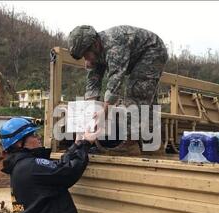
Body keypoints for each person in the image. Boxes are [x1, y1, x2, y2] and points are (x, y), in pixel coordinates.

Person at [0, 117, 99, 213]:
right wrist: (86, 143)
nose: (38, 137)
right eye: (33, 135)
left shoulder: (21, 166)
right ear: (19, 143)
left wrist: (76, 145)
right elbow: (68, 172)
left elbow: (57, 167)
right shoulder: (31, 166)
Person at [68, 25, 169, 156]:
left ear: (95, 44)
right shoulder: (94, 53)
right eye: (83, 57)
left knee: (137, 93)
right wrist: (88, 115)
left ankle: (130, 144)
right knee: (147, 103)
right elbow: (92, 85)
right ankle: (154, 146)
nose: (86, 60)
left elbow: (115, 83)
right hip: (136, 57)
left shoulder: (114, 46)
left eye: (86, 55)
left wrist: (103, 113)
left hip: (152, 51)